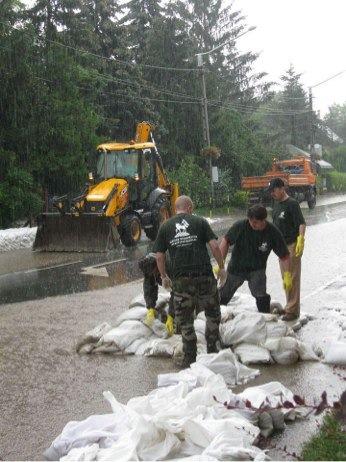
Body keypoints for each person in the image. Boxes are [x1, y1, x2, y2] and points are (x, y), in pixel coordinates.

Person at [153, 195, 227, 368]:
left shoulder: (166, 227)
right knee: (212, 314)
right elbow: (215, 246)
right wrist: (221, 267)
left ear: (176, 208)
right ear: (190, 208)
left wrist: (164, 276)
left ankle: (190, 357)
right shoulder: (200, 222)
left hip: (181, 280)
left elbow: (159, 255)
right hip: (204, 277)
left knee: (185, 320)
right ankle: (212, 349)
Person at [219, 204, 292, 314]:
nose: (252, 224)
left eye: (255, 222)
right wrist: (220, 265)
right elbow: (225, 241)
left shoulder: (272, 232)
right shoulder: (240, 226)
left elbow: (285, 256)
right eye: (250, 220)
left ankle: (265, 316)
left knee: (261, 296)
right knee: (223, 295)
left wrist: (287, 275)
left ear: (264, 220)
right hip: (236, 268)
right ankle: (216, 315)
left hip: (257, 269)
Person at [268, 177, 306, 321]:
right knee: (286, 279)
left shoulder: (292, 204)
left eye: (274, 190)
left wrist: (301, 240)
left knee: (293, 278)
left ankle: (292, 310)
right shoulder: (275, 204)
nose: (272, 193)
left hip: (292, 245)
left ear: (282, 188)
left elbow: (301, 223)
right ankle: (290, 305)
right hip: (281, 248)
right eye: (270, 191)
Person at [138, 252, 174, 335]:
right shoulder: (149, 269)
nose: (153, 275)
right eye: (151, 274)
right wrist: (150, 307)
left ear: (157, 265)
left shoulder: (170, 265)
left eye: (154, 272)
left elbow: (177, 292)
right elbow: (149, 288)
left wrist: (171, 315)